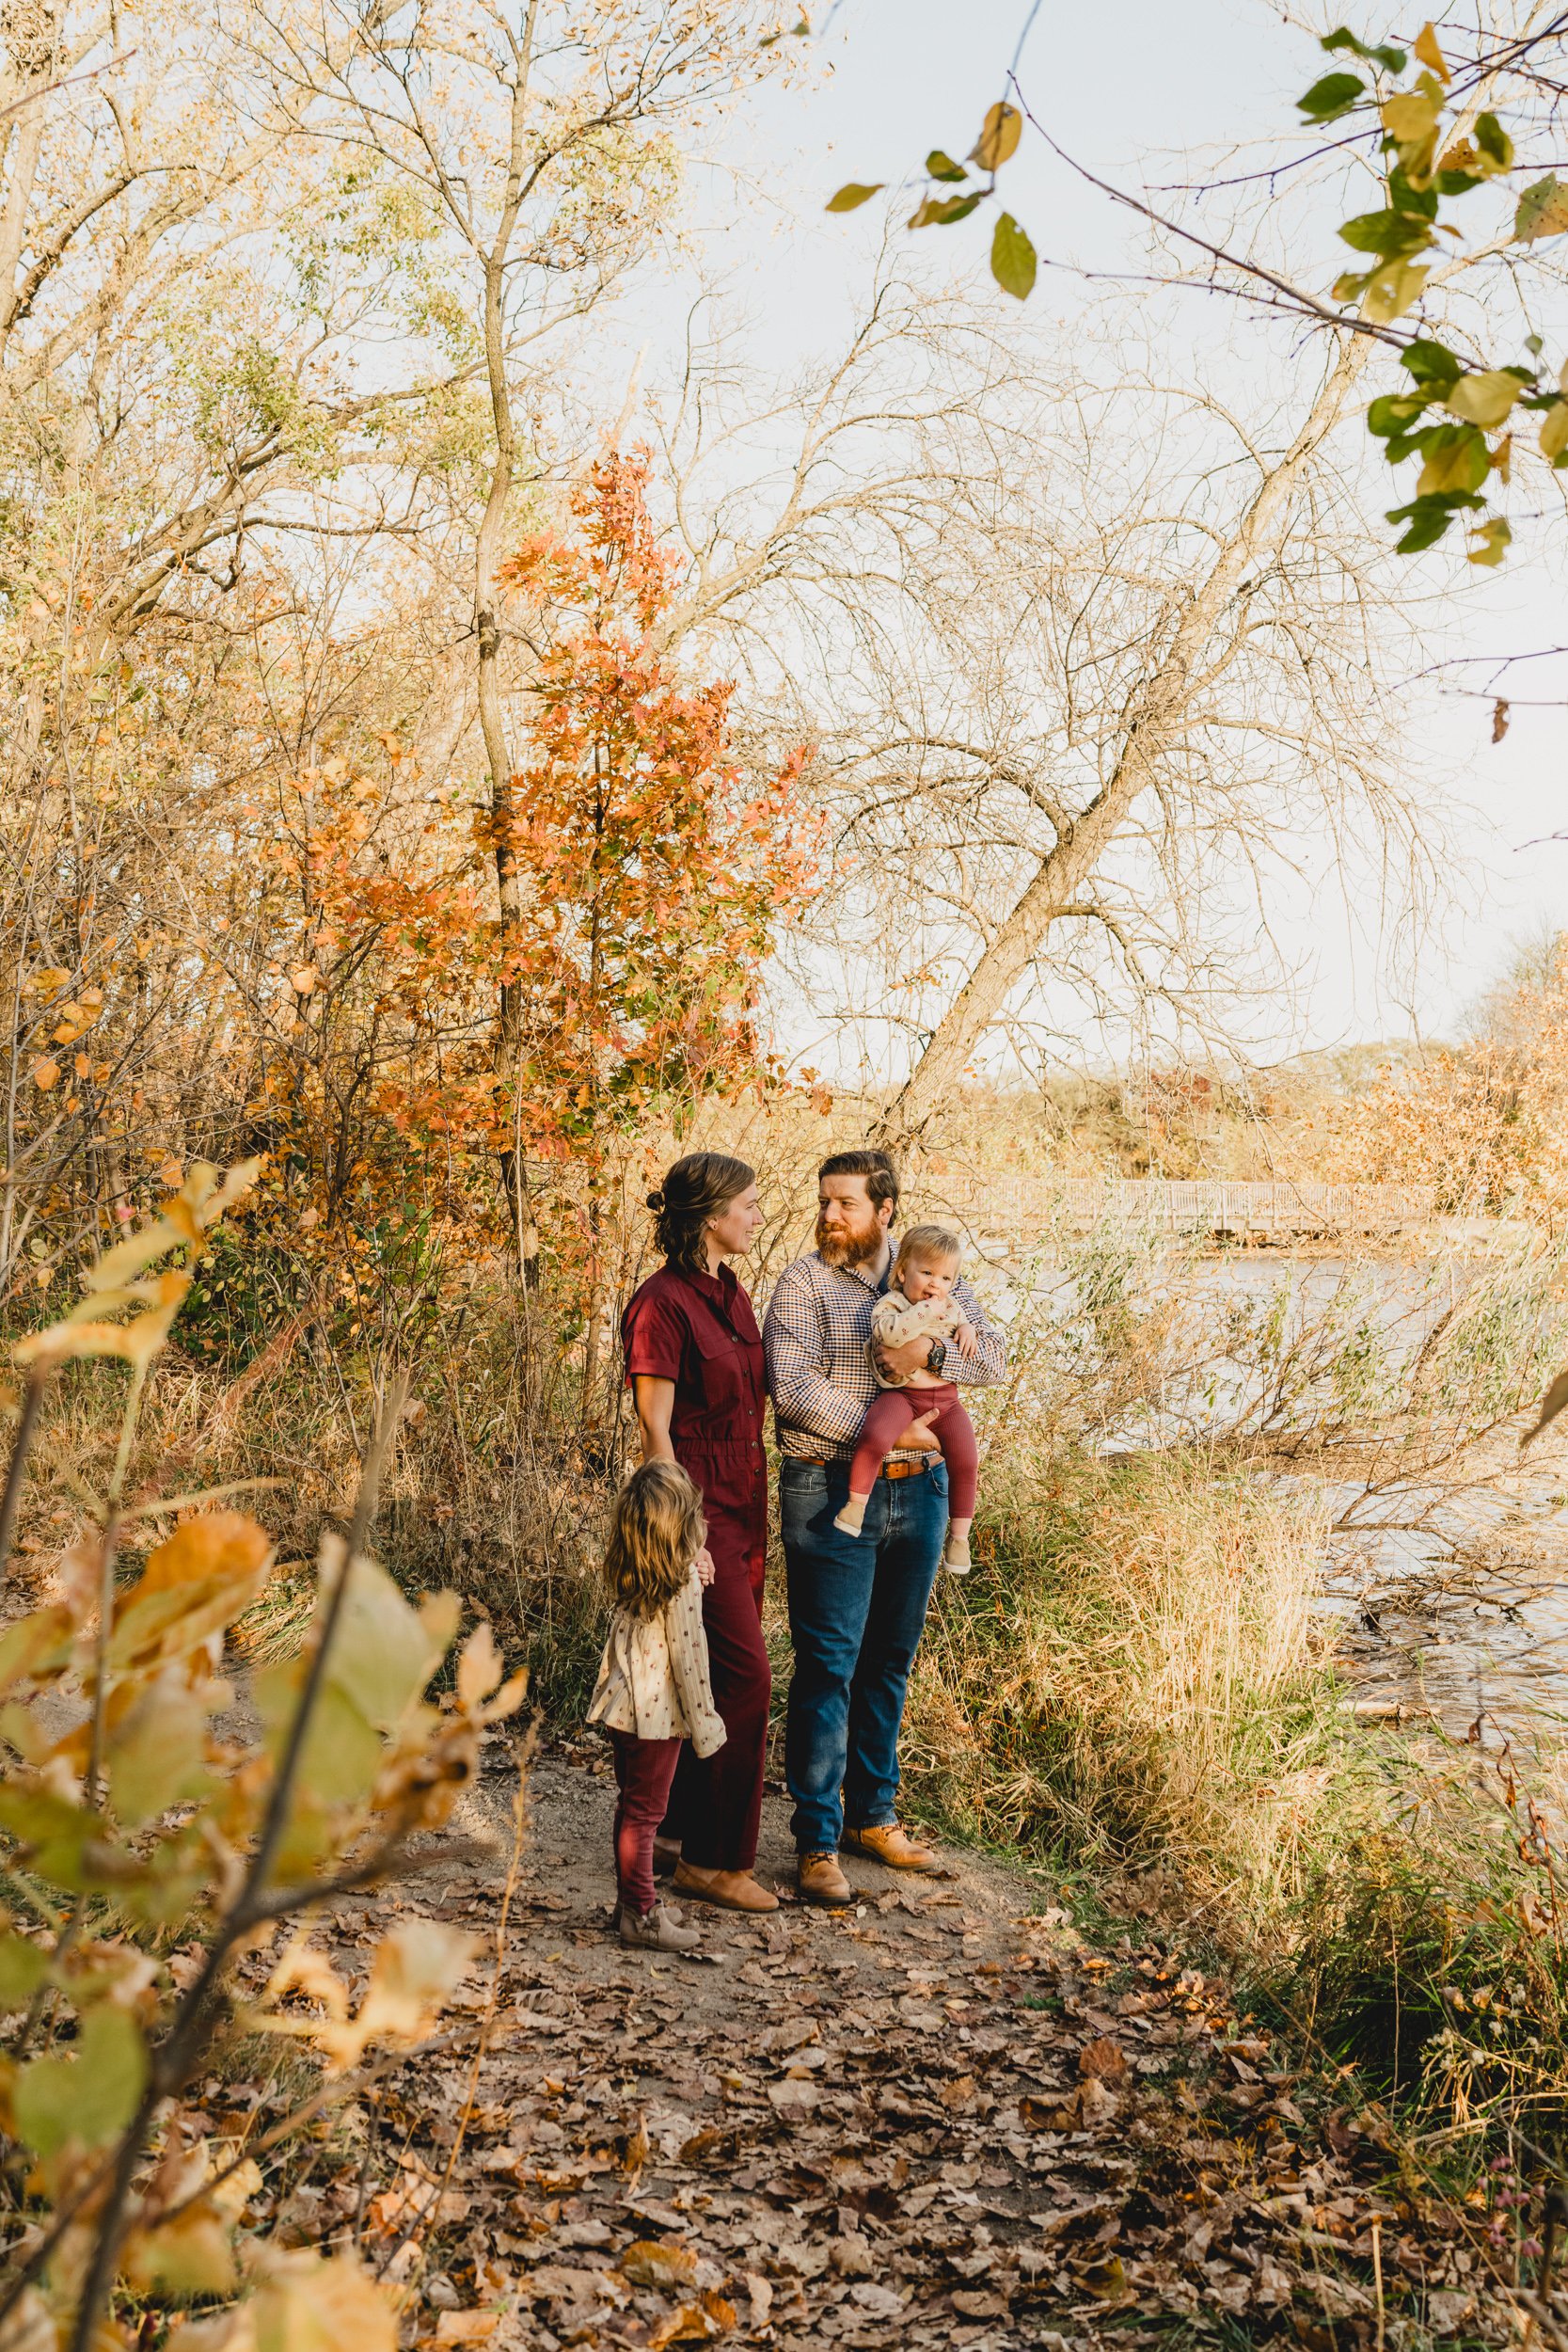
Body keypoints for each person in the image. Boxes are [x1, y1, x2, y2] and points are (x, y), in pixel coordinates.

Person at [763, 1149, 1005, 1907]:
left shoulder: (931, 1270)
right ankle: (814, 1839)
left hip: (921, 1497)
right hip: (829, 1488)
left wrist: (928, 1348)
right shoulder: (804, 1283)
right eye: (825, 1202)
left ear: (885, 1210)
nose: (831, 1217)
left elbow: (992, 1358)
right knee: (829, 1662)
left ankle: (874, 1816)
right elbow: (791, 1387)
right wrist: (889, 1430)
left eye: (847, 1204)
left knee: (890, 1659)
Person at [622, 1151, 777, 1915]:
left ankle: (680, 1834)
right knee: (749, 1679)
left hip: (748, 1503)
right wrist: (681, 1539)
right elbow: (655, 1430)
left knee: (710, 1672)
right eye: (747, 1204)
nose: (757, 1215)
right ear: (711, 1214)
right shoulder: (661, 1303)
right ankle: (717, 1862)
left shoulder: (732, 1293)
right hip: (696, 1509)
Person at [587, 1460, 725, 1953]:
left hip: (623, 1710)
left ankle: (633, 1904)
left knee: (632, 1810)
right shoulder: (680, 1586)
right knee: (645, 1818)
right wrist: (706, 1723)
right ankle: (642, 1915)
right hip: (654, 1718)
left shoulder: (637, 1571)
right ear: (681, 1529)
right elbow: (690, 1662)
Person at [834, 1223, 980, 1574]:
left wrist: (966, 1328)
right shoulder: (892, 1303)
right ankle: (856, 1504)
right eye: (927, 1273)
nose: (935, 1285)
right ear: (902, 1272)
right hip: (901, 1395)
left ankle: (959, 1538)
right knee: (875, 1435)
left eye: (945, 1278)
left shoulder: (951, 1305)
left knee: (966, 1459)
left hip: (945, 1399)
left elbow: (977, 1339)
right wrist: (926, 1313)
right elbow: (890, 1334)